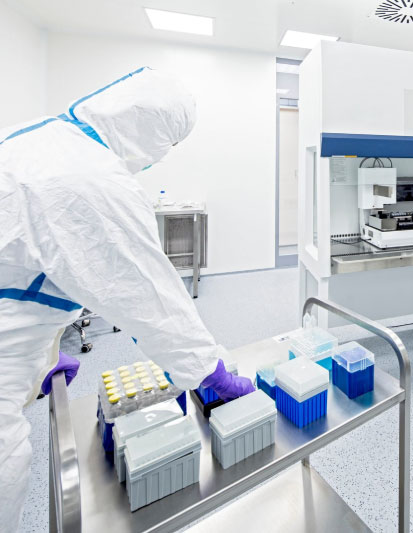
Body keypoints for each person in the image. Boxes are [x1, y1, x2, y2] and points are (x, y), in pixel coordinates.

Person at [0, 67, 253, 532]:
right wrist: (206, 370)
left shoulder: (34, 138)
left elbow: (22, 260)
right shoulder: (89, 177)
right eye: (169, 144)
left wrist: (41, 352)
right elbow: (147, 297)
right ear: (151, 129)